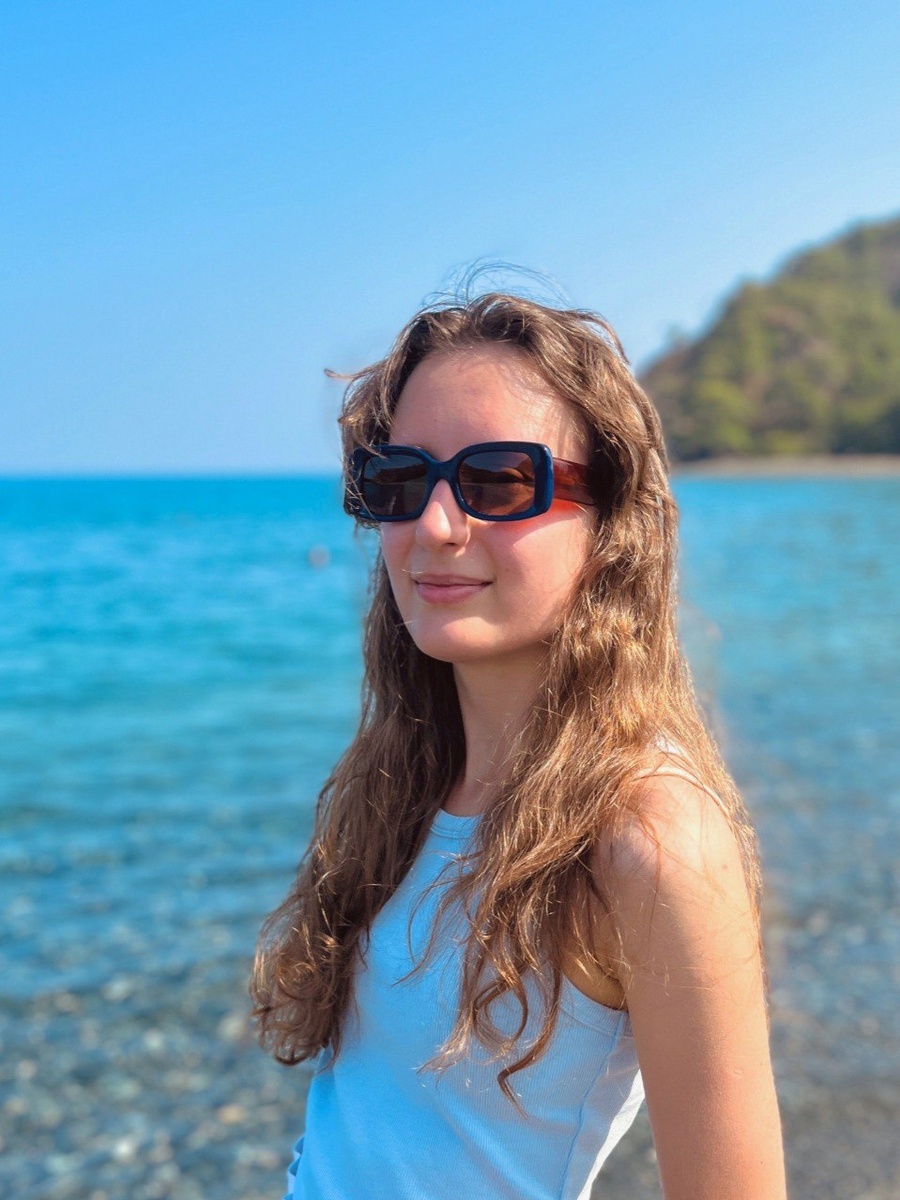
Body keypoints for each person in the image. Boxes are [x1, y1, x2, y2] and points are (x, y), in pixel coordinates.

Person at [251, 292, 787, 1199]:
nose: (435, 525)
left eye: (497, 480)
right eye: (400, 480)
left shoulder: (648, 838)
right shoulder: (409, 779)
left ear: (611, 525)